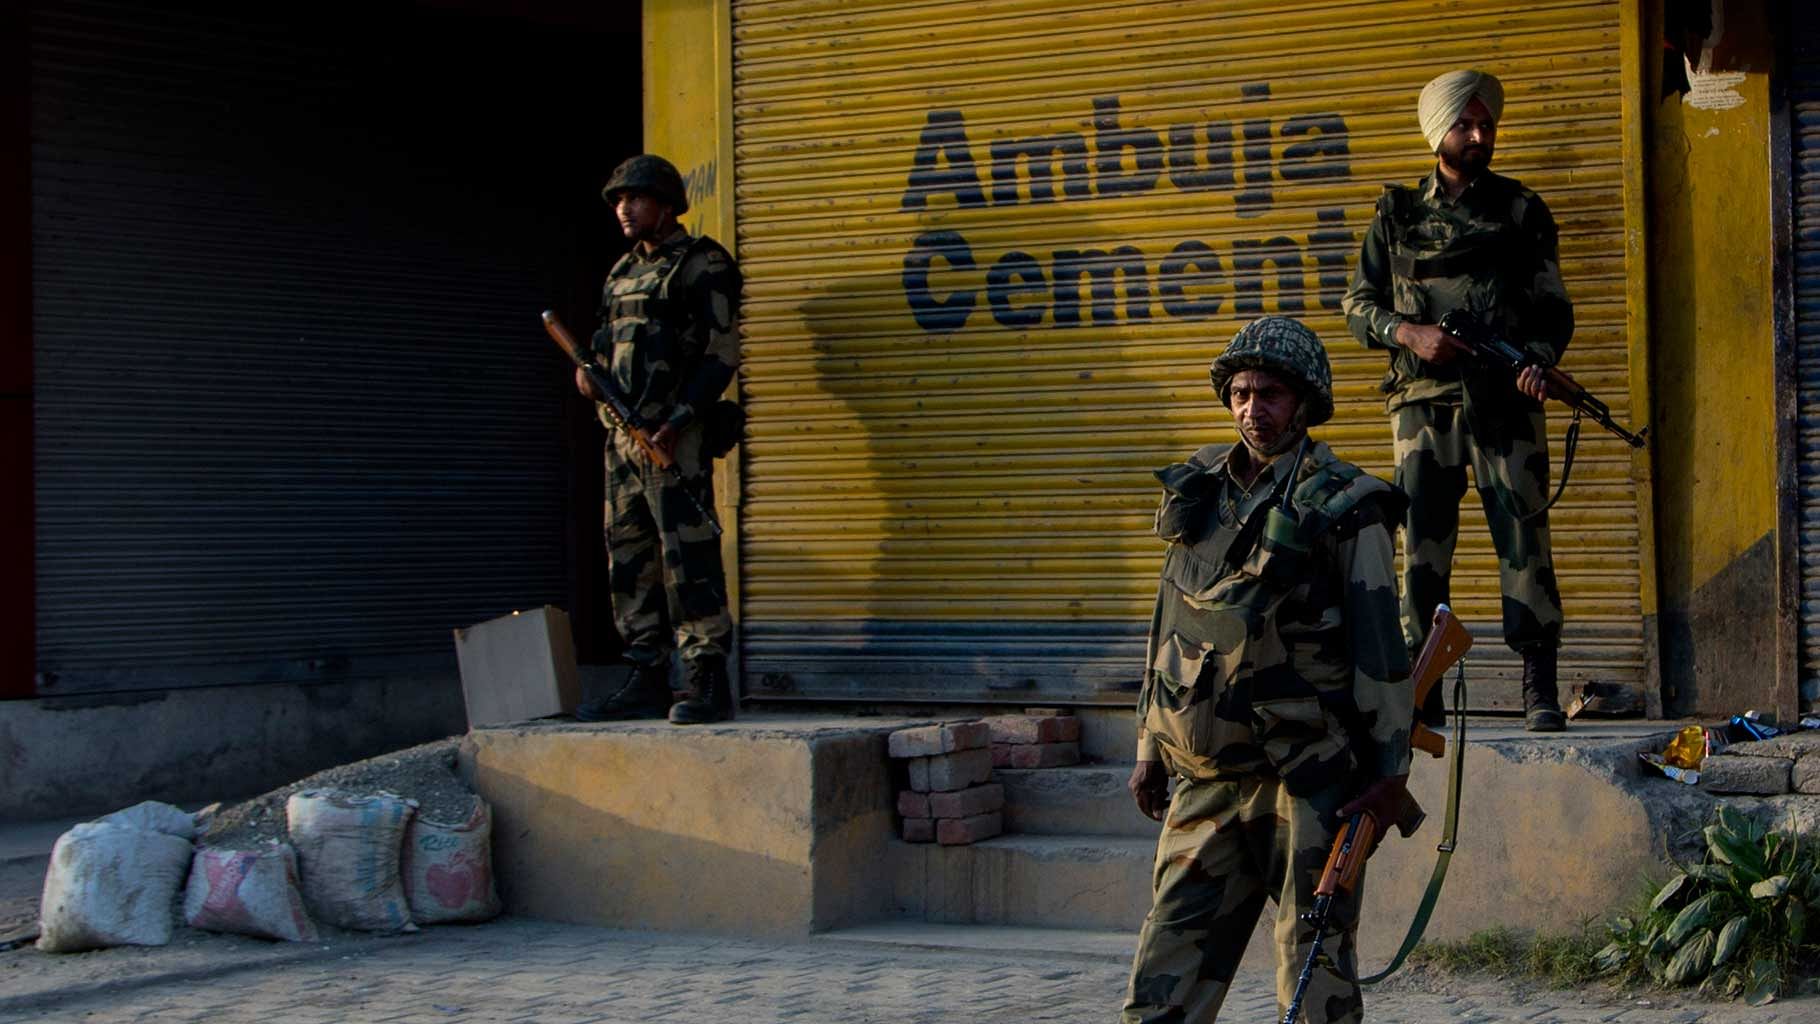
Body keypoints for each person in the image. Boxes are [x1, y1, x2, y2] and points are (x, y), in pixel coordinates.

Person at [1121, 316, 1414, 1024]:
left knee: (1313, 983)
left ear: (1305, 402)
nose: (1254, 409)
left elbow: (1382, 648)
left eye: (1272, 394)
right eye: (1242, 393)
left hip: (1308, 780)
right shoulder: (1198, 492)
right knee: (1162, 983)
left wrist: (1387, 774)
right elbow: (1170, 625)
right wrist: (1147, 745)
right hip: (1207, 776)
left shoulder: (1344, 503)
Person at [1341, 69, 1576, 733]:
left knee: (1525, 539)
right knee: (1422, 550)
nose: (1479, 135)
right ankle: (1425, 691)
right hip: (1422, 406)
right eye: (1465, 124)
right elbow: (1358, 305)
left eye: (1487, 124)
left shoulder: (1521, 209)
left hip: (1505, 401)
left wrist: (1539, 363)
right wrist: (1408, 333)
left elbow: (1553, 310)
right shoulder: (1396, 214)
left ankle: (1538, 687)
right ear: (1436, 132)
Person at [571, 154, 741, 726]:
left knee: (686, 554)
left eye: (635, 199)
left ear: (666, 205)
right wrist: (587, 375)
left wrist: (680, 418)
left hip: (674, 435)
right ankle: (646, 672)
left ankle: (706, 677)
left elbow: (722, 352)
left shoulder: (701, 263)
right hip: (620, 437)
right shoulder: (620, 272)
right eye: (619, 201)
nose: (624, 209)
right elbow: (600, 345)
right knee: (628, 555)